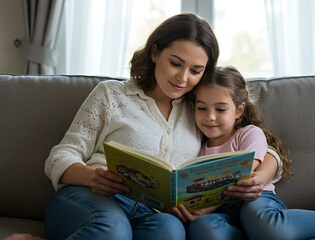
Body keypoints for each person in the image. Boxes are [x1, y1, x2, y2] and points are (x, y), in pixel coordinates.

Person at [40, 13, 280, 240]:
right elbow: (61, 155)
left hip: (153, 213)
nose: (183, 78)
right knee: (113, 231)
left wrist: (259, 176)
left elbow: (264, 150)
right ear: (155, 52)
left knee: (171, 232)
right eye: (176, 63)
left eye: (196, 71)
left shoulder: (199, 108)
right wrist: (91, 176)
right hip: (92, 197)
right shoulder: (111, 94)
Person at [167, 66, 315, 240]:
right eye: (201, 108)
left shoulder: (248, 133)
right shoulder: (197, 146)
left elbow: (239, 177)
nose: (210, 116)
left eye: (220, 109)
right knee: (202, 230)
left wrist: (205, 207)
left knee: (266, 225)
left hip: (255, 201)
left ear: (238, 110)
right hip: (224, 212)